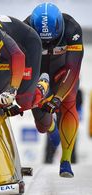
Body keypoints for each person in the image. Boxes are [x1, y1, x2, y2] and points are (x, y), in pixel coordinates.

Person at [24, 2, 84, 177]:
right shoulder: (24, 29)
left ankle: (66, 161)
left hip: (63, 73)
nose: (48, 43)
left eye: (51, 40)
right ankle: (51, 128)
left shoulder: (72, 29)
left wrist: (57, 98)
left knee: (69, 102)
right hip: (37, 76)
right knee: (41, 125)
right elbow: (22, 67)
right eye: (43, 41)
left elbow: (74, 68)